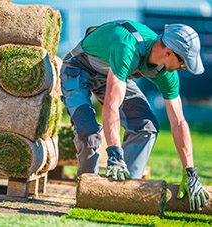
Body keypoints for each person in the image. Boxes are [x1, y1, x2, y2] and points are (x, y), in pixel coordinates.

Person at [60, 20, 211, 211]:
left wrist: (190, 172)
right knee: (88, 133)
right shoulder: (127, 47)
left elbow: (178, 121)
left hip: (114, 74)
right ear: (169, 52)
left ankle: (122, 193)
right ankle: (89, 194)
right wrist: (114, 153)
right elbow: (111, 106)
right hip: (77, 69)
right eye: (183, 62)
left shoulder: (166, 72)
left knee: (146, 127)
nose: (183, 67)